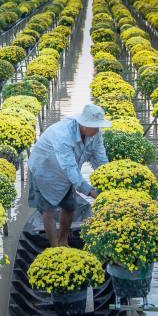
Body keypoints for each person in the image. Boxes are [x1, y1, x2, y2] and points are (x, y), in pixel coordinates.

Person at [27, 103, 111, 247]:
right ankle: (55, 247)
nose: (98, 130)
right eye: (95, 126)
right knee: (48, 209)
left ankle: (63, 241)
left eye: (99, 126)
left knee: (70, 206)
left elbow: (101, 158)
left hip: (65, 171)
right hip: (44, 170)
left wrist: (109, 180)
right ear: (84, 124)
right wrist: (90, 191)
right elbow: (70, 168)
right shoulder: (63, 134)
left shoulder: (95, 134)